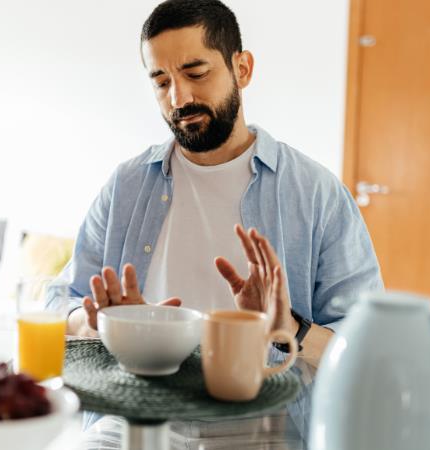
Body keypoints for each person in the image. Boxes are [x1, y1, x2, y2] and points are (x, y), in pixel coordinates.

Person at [47, 0, 382, 362]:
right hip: (138, 412)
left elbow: (366, 349)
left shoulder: (317, 193)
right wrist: (96, 322)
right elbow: (58, 301)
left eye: (196, 73)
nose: (179, 98)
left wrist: (287, 326)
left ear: (242, 69)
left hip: (265, 417)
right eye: (162, 82)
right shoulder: (126, 185)